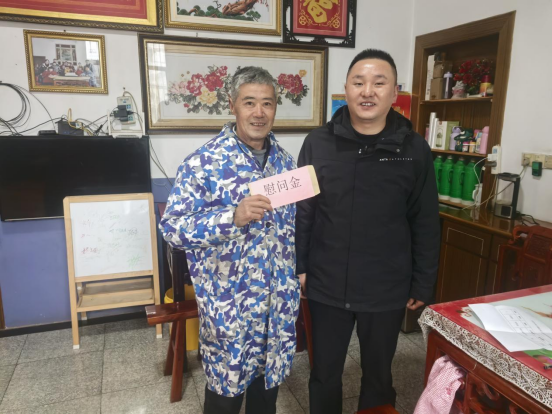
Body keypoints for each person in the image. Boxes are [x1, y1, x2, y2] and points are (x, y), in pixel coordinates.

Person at [296, 49, 440, 413]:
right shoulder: (318, 143)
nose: (367, 91)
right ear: (346, 89)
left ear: (394, 93)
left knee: (378, 375)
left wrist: (422, 282)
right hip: (327, 282)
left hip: (386, 286)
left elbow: (424, 220)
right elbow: (304, 211)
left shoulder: (414, 149)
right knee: (324, 373)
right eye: (358, 82)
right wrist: (300, 266)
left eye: (379, 83)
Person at [160, 66, 300, 414]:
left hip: (277, 307)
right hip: (230, 307)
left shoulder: (286, 164)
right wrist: (231, 218)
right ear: (232, 105)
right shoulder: (203, 163)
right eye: (249, 102)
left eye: (267, 103)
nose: (259, 112)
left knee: (266, 397)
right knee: (225, 396)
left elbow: (296, 227)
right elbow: (173, 228)